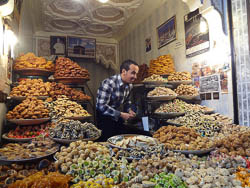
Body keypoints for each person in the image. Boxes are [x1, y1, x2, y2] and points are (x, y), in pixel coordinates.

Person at [96, 59, 139, 141]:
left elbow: (127, 101)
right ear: (124, 71)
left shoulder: (130, 85)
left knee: (119, 141)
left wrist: (129, 110)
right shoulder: (108, 83)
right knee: (107, 141)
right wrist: (121, 114)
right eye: (133, 73)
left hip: (117, 116)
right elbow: (101, 106)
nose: (135, 77)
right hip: (104, 118)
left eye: (136, 74)